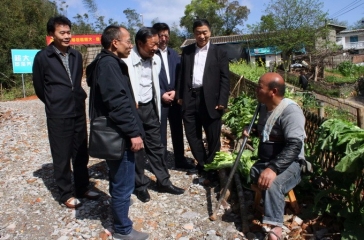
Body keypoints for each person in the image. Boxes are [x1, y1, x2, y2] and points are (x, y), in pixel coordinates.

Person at [86, 25, 148, 240]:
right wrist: (133, 133)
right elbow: (117, 103)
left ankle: (119, 205)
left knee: (117, 174)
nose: (130, 45)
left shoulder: (103, 63)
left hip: (116, 131)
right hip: (119, 134)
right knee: (123, 179)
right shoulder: (109, 65)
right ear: (115, 43)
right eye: (128, 41)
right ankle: (123, 229)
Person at [32, 15, 99, 209]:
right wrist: (54, 101)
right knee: (61, 155)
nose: (67, 36)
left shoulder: (76, 55)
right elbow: (39, 87)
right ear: (52, 34)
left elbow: (77, 81)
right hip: (58, 113)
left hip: (77, 109)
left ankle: (82, 187)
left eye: (69, 32)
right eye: (62, 33)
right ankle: (65, 194)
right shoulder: (43, 57)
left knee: (80, 152)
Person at [123, 27, 184, 203]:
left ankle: (163, 181)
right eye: (152, 44)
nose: (156, 48)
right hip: (133, 109)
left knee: (156, 146)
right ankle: (140, 185)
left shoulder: (155, 59)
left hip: (149, 107)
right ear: (140, 44)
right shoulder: (126, 60)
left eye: (157, 44)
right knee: (137, 150)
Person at [245, 72, 305, 240]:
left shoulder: (290, 112)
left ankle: (275, 228)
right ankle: (270, 204)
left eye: (260, 87)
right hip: (268, 160)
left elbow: (294, 146)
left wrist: (273, 168)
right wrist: (252, 130)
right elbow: (267, 132)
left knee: (272, 183)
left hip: (291, 163)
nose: (256, 90)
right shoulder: (264, 107)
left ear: (273, 91)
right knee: (253, 173)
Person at [177, 19, 230, 177]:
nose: (202, 36)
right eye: (198, 33)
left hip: (211, 99)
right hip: (190, 97)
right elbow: (181, 75)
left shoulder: (219, 52)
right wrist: (180, 96)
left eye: (204, 32)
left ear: (210, 32)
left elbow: (225, 78)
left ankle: (212, 166)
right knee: (192, 134)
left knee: (213, 134)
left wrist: (222, 100)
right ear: (194, 34)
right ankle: (202, 163)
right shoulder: (187, 52)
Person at [152, 22, 194, 170]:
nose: (163, 39)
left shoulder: (174, 54)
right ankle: (161, 164)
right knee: (160, 133)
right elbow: (149, 79)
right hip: (160, 99)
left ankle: (180, 160)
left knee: (177, 131)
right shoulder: (150, 54)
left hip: (175, 99)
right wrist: (161, 93)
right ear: (155, 36)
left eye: (166, 35)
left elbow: (180, 75)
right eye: (160, 35)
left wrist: (177, 91)